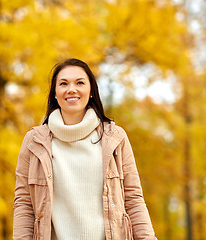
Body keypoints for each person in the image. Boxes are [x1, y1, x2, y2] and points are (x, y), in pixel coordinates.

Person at [13, 58, 156, 240]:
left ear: (90, 92)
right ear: (55, 94)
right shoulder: (34, 142)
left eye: (80, 82)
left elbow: (133, 199)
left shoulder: (115, 138)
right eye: (63, 83)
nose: (71, 89)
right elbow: (24, 204)